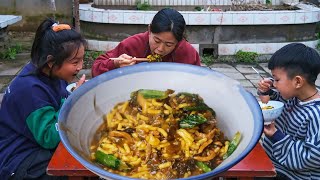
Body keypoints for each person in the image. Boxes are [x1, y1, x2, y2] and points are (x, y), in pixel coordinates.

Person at [0, 18, 87, 179]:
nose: (80, 66)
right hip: (20, 158)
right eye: (75, 61)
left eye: (82, 59)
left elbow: (60, 103)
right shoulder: (29, 90)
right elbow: (49, 137)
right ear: (51, 62)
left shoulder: (53, 74)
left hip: (37, 144)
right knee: (76, 163)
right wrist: (74, 101)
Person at [257, 43, 320, 179]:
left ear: (297, 81)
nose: (274, 84)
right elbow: (273, 99)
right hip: (272, 164)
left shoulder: (316, 115)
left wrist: (276, 136)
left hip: (295, 175)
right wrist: (265, 91)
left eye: (277, 79)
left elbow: (311, 157)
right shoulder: (294, 96)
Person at [91, 8, 201, 77]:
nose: (160, 49)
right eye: (157, 41)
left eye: (169, 44)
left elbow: (198, 81)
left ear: (179, 41)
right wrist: (115, 64)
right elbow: (96, 68)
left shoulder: (188, 53)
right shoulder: (133, 44)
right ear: (149, 30)